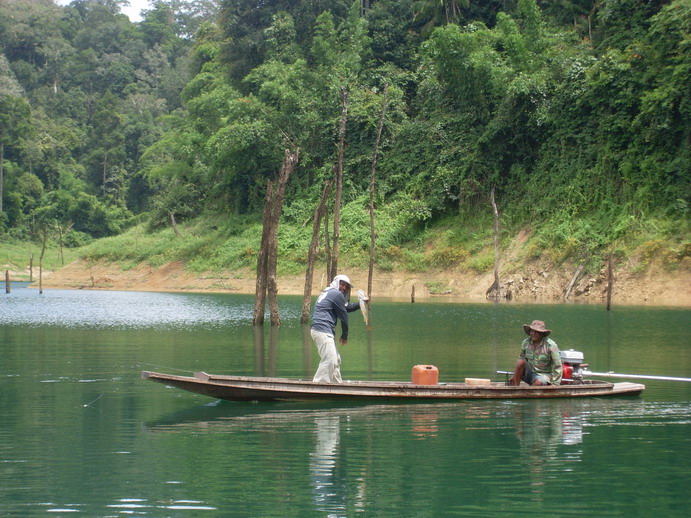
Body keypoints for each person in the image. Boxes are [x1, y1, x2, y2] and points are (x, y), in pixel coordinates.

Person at [311, 274, 364, 383]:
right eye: (342, 284)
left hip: (319, 330)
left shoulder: (329, 292)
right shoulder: (336, 294)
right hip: (322, 330)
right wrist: (344, 336)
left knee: (336, 359)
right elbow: (344, 317)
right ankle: (319, 385)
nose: (344, 288)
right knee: (329, 359)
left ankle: (336, 384)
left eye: (346, 286)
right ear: (336, 282)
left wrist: (361, 304)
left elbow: (346, 308)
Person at [508, 320, 562, 386]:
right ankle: (514, 390)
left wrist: (555, 383)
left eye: (536, 332)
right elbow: (521, 359)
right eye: (532, 331)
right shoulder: (526, 343)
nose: (533, 333)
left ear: (541, 333)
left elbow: (558, 365)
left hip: (545, 374)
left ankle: (531, 392)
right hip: (530, 373)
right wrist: (515, 376)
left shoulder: (550, 345)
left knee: (538, 382)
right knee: (520, 362)